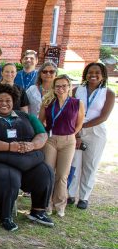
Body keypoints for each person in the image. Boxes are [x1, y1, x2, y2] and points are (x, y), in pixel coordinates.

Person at [0, 83, 54, 231]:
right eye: (0, 100)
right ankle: (6, 216)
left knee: (45, 172)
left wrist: (32, 145)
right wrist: (9, 147)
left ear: (13, 101)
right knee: (9, 177)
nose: (4, 103)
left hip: (26, 158)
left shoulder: (26, 117)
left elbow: (42, 134)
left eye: (8, 100)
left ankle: (38, 211)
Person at [68, 62, 114, 210]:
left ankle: (84, 197)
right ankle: (70, 194)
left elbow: (104, 116)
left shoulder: (108, 93)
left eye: (97, 73)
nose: (93, 75)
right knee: (74, 163)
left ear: (103, 76)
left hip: (96, 132)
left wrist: (82, 126)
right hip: (76, 131)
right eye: (90, 72)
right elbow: (70, 112)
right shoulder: (76, 90)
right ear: (85, 74)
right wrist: (77, 132)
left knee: (90, 165)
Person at [38, 74, 84, 219]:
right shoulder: (47, 102)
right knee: (49, 173)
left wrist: (71, 135)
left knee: (63, 175)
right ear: (54, 87)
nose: (61, 88)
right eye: (58, 86)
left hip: (68, 141)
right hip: (51, 140)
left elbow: (79, 123)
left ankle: (60, 205)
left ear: (69, 87)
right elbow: (40, 121)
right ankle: (47, 204)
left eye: (64, 85)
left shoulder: (77, 103)